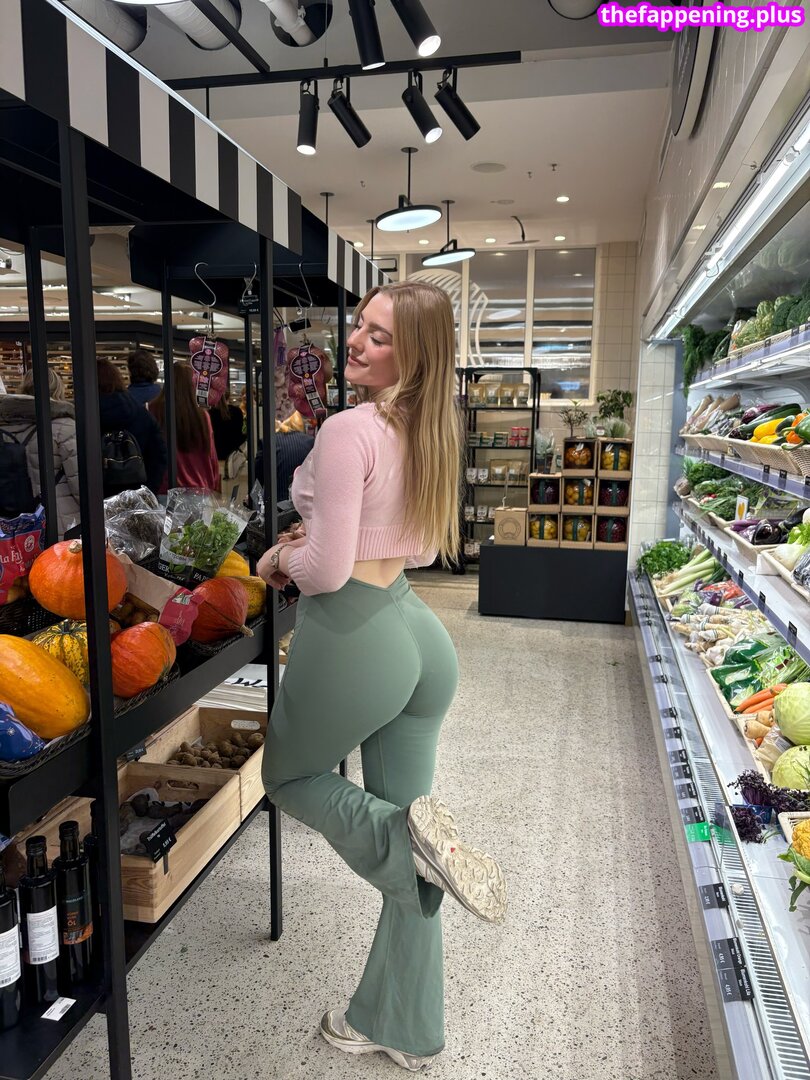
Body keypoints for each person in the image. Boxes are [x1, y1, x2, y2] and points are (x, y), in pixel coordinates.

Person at [256, 282, 507, 1072]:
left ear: (416, 353)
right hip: (416, 630)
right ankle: (401, 1024)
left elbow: (327, 571)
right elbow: (424, 547)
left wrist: (278, 559)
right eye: (360, 326)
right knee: (414, 826)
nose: (357, 342)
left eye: (380, 335)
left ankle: (411, 853)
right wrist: (330, 536)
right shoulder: (431, 427)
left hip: (355, 632)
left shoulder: (347, 430)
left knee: (288, 776)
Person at [0, 368, 80, 537]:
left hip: (15, 523)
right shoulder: (65, 427)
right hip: (60, 522)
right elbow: (80, 485)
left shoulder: (5, 426)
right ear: (58, 388)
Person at [97, 358, 167, 495]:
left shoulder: (86, 417)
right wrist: (148, 492)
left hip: (99, 495)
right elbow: (159, 455)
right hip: (136, 492)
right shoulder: (140, 412)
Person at [149, 362, 220, 492]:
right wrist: (214, 486)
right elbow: (211, 456)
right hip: (199, 490)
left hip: (163, 489)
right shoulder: (202, 416)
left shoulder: (153, 410)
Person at [254, 428, 315, 502]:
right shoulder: (311, 441)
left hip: (275, 502)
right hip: (304, 501)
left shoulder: (267, 441)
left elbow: (257, 475)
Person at [209, 389, 246, 479]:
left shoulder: (210, 414)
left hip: (215, 457)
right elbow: (239, 436)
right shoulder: (237, 412)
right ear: (229, 396)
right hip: (232, 458)